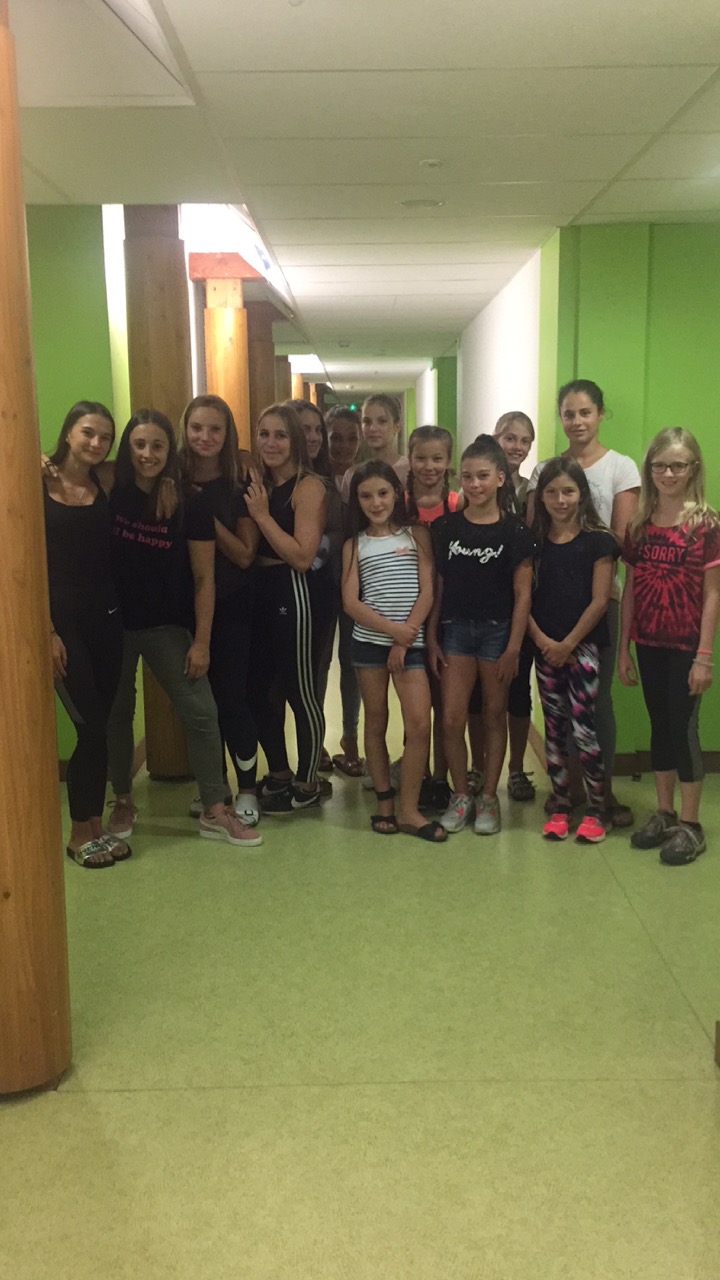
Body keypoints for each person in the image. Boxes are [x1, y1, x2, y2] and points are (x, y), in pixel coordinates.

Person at [105, 409, 262, 848]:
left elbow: (204, 577)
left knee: (202, 712)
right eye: (139, 444)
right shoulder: (111, 491)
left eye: (157, 445)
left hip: (167, 627)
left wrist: (202, 642)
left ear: (168, 450)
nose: (147, 454)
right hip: (112, 625)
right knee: (116, 715)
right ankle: (122, 799)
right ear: (127, 448)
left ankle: (215, 809)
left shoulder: (189, 502)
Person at [526, 380, 640, 827]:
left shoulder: (620, 467)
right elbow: (535, 538)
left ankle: (601, 792)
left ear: (600, 414)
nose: (577, 421)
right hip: (549, 608)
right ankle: (567, 790)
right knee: (557, 708)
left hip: (598, 603)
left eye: (585, 412)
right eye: (569, 414)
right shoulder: (545, 470)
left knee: (595, 704)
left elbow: (619, 540)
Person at [618, 428, 720, 865]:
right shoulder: (639, 525)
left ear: (693, 468)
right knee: (659, 726)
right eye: (659, 466)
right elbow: (630, 591)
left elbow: (713, 594)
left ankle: (691, 825)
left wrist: (703, 657)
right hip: (648, 642)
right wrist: (623, 649)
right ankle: (664, 812)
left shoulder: (706, 525)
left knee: (683, 730)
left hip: (685, 647)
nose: (668, 474)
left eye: (678, 465)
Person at [428, 435, 534, 836]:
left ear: (500, 478)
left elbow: (523, 595)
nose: (475, 484)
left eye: (483, 476)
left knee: (493, 713)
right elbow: (438, 587)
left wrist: (513, 647)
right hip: (455, 631)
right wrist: (433, 636)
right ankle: (461, 794)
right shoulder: (445, 528)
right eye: (468, 476)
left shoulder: (516, 532)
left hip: (497, 634)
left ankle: (489, 795)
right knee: (452, 717)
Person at [342, 461, 445, 842]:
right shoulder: (355, 545)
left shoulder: (417, 535)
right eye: (366, 496)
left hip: (410, 644)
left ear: (397, 494)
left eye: (383, 493)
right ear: (356, 501)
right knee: (376, 721)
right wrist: (393, 633)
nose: (376, 503)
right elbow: (351, 603)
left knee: (418, 724)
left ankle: (409, 808)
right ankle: (385, 800)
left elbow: (428, 590)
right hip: (370, 644)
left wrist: (405, 638)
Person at [43, 401, 127, 868]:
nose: (96, 443)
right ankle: (78, 834)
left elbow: (154, 465)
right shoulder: (36, 483)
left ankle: (95, 826)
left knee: (103, 726)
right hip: (62, 625)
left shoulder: (106, 482)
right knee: (89, 726)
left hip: (106, 621)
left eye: (104, 437)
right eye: (88, 433)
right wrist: (47, 630)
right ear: (68, 433)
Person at [178, 394, 260, 826]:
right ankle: (214, 788)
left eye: (215, 429)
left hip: (231, 604)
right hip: (181, 607)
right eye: (197, 428)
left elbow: (245, 554)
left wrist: (202, 517)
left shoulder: (238, 482)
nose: (205, 437)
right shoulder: (170, 478)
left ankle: (247, 788)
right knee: (198, 705)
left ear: (228, 434)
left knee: (231, 699)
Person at [529, 458, 619, 843]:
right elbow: (523, 600)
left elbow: (600, 601)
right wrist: (544, 642)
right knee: (554, 728)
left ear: (581, 493)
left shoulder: (600, 541)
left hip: (583, 649)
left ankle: (598, 807)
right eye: (552, 492)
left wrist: (568, 644)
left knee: (584, 728)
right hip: (545, 649)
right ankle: (562, 802)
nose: (560, 500)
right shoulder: (533, 543)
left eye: (568, 491)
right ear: (541, 497)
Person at [245, 403, 328, 813]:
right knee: (260, 690)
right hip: (258, 591)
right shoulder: (255, 481)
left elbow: (301, 556)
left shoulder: (308, 487)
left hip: (293, 590)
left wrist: (261, 516)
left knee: (300, 690)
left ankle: (308, 781)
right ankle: (278, 772)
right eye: (264, 434)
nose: (271, 443)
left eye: (280, 435)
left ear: (295, 439)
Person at [467, 412, 538, 801]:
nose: (516, 446)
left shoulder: (532, 490)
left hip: (519, 603)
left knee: (517, 690)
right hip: (481, 603)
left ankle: (516, 769)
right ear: (496, 438)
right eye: (509, 438)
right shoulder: (475, 486)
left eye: (524, 440)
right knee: (479, 694)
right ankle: (478, 767)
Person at [289, 398, 344, 776]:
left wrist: (312, 552)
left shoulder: (327, 481)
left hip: (319, 588)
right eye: (302, 429)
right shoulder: (265, 478)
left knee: (315, 671)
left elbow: (340, 533)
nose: (311, 437)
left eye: (316, 430)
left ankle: (314, 747)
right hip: (274, 590)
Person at [405, 425, 458, 808]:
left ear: (449, 461)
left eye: (437, 458)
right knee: (415, 707)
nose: (429, 466)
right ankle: (417, 773)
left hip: (448, 613)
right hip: (407, 612)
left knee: (443, 703)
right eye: (421, 457)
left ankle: (441, 777)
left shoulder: (458, 503)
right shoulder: (399, 505)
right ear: (409, 459)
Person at [326, 406, 363, 773]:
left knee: (352, 662)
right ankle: (316, 739)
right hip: (318, 581)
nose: (343, 445)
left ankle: (349, 737)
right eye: (336, 437)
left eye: (352, 437)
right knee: (318, 663)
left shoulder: (365, 478)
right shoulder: (312, 478)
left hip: (357, 580)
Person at [340, 394, 409, 501]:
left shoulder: (409, 470)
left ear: (396, 426)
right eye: (367, 422)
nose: (373, 428)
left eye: (382, 421)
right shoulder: (352, 474)